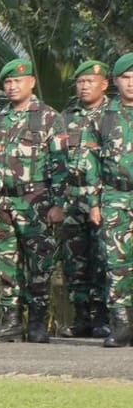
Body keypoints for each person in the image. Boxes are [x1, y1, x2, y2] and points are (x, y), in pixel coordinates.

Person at [0, 58, 63, 344]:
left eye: (18, 81)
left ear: (32, 82)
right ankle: (12, 321)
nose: (12, 86)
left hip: (36, 201)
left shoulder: (49, 117)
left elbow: (60, 164)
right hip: (4, 201)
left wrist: (58, 204)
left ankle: (38, 323)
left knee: (40, 263)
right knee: (6, 263)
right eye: (8, 82)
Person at [56, 60, 111, 338]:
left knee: (102, 257)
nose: (85, 86)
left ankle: (102, 317)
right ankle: (81, 317)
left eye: (90, 81)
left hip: (104, 197)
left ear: (104, 84)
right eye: (80, 82)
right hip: (71, 197)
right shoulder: (66, 117)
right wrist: (56, 199)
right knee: (74, 260)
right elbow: (55, 160)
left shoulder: (115, 115)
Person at [83, 53, 133, 347]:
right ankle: (121, 324)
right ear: (115, 81)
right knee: (116, 262)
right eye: (126, 78)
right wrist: (94, 202)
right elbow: (91, 163)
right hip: (115, 195)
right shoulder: (103, 117)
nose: (131, 83)